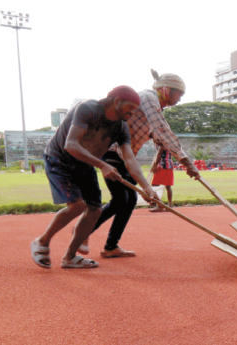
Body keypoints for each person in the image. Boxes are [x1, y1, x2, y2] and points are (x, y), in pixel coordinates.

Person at [30, 86, 158, 269]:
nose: (133, 112)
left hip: (85, 164)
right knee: (77, 206)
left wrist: (147, 187)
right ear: (116, 101)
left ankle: (70, 257)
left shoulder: (121, 127)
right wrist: (103, 164)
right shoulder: (88, 109)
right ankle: (41, 242)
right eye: (130, 107)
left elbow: (129, 159)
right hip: (60, 160)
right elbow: (71, 144)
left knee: (94, 210)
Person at [85, 70, 200, 258]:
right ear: (166, 89)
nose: (180, 98)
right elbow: (161, 127)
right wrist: (186, 161)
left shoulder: (154, 106)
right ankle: (84, 233)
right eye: (179, 93)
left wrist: (183, 161)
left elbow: (158, 136)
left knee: (127, 200)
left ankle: (110, 246)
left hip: (125, 158)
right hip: (112, 152)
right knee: (122, 199)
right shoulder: (148, 97)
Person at [149, 145, 174, 211]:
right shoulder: (167, 141)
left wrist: (154, 165)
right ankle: (169, 206)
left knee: (155, 185)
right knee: (168, 186)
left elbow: (159, 154)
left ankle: (159, 206)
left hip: (163, 166)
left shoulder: (162, 142)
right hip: (168, 165)